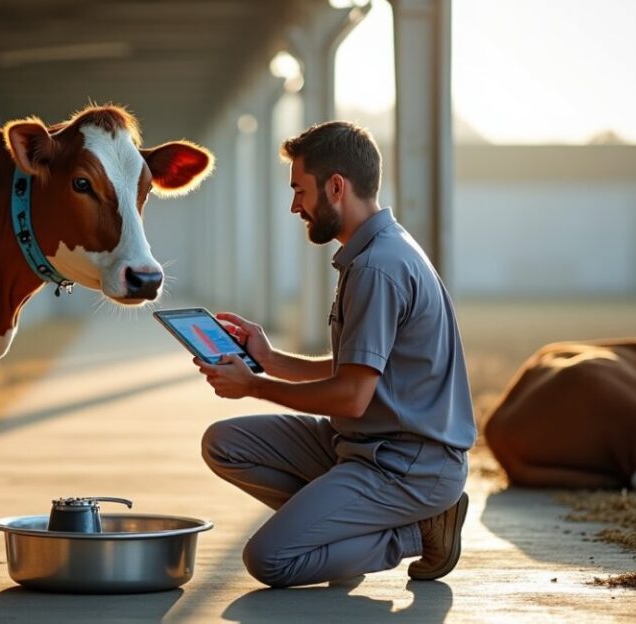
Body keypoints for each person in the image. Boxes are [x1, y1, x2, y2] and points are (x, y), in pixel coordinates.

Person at [196, 121, 476, 588]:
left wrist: (255, 387)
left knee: (269, 559)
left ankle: (414, 529)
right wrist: (269, 359)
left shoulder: (376, 268)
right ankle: (339, 526)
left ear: (336, 186)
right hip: (360, 446)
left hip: (406, 465)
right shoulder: (377, 251)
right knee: (224, 443)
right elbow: (358, 372)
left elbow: (351, 398)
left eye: (299, 191)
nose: (294, 206)